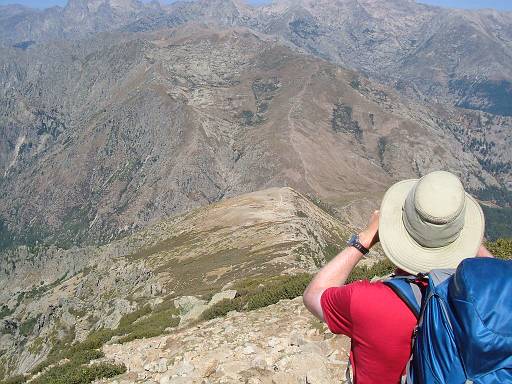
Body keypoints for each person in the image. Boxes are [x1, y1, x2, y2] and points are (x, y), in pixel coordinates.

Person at [303, 170, 493, 384]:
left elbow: (313, 295)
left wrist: (364, 240)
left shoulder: (366, 301)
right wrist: (468, 241)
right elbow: (502, 280)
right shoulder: (486, 302)